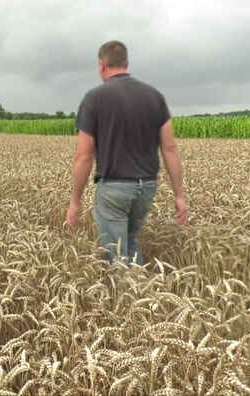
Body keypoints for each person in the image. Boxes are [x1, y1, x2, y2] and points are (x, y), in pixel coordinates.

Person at [66, 40, 188, 266]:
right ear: (126, 63)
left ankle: (127, 298)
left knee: (116, 254)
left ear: (102, 65)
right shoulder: (154, 96)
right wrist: (179, 195)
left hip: (114, 189)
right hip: (147, 188)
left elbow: (84, 155)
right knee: (130, 243)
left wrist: (75, 202)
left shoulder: (94, 99)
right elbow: (169, 148)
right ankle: (142, 293)